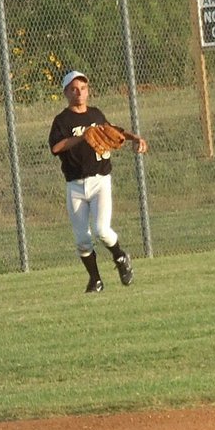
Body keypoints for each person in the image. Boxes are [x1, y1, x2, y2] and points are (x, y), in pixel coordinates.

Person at [49, 70, 148, 293]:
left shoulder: (95, 114)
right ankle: (95, 280)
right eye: (74, 89)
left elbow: (112, 131)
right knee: (82, 240)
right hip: (74, 185)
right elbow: (56, 147)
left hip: (100, 180)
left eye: (83, 88)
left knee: (102, 230)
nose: (79, 93)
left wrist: (136, 138)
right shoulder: (62, 121)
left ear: (88, 90)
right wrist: (81, 137)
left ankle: (120, 257)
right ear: (66, 92)